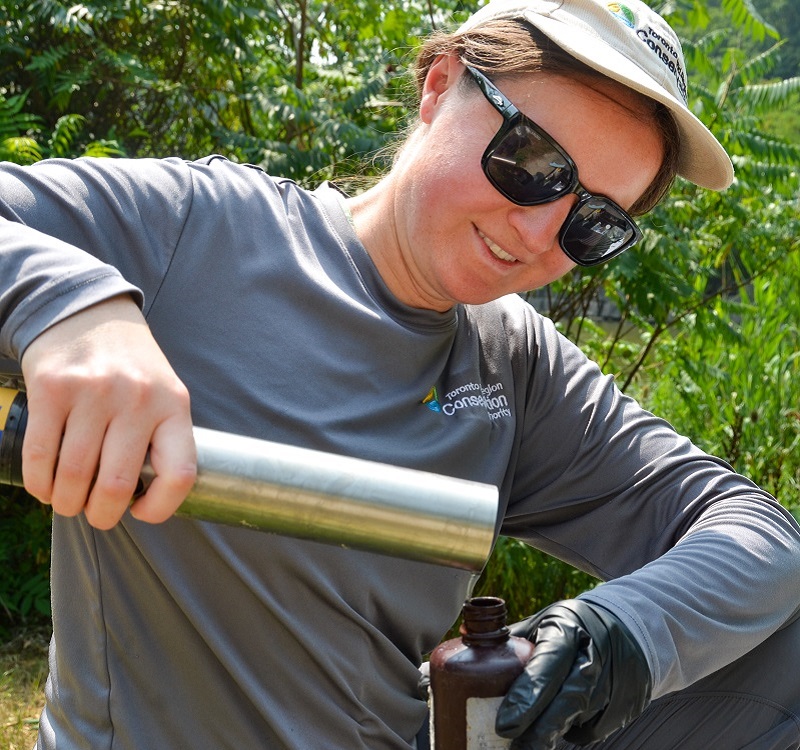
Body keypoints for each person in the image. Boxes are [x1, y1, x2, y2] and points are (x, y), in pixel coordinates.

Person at [0, 0, 798, 747]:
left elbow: (759, 536)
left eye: (593, 220)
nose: (536, 232)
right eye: (532, 160)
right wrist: (75, 307)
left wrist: (616, 638)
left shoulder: (513, 359)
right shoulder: (196, 231)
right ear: (440, 84)